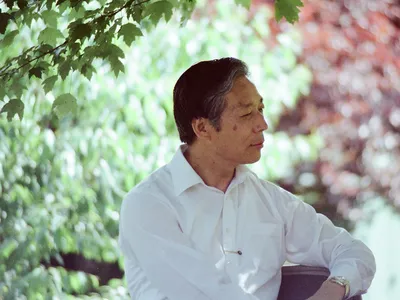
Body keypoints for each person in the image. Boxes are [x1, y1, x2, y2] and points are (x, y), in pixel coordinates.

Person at [118, 58, 376, 300]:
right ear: (203, 128)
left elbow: (354, 252)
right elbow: (202, 293)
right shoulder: (148, 205)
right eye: (246, 114)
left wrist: (334, 288)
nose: (262, 124)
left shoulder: (272, 202)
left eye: (260, 109)